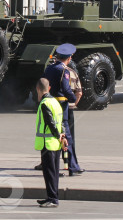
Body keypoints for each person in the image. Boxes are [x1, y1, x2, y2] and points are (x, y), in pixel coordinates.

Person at [42, 43, 84, 176]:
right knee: (67, 137)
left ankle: (52, 167)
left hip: (49, 103)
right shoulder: (64, 71)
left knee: (54, 136)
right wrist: (72, 98)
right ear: (69, 58)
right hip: (61, 106)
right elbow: (66, 89)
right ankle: (73, 167)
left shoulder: (49, 69)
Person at [34, 78, 67, 208]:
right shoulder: (55, 102)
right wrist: (62, 136)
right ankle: (52, 196)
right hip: (56, 144)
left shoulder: (44, 104)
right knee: (53, 172)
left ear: (38, 89)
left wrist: (57, 134)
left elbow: (50, 123)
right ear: (49, 88)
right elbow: (62, 121)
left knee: (49, 173)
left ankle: (52, 198)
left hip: (48, 143)